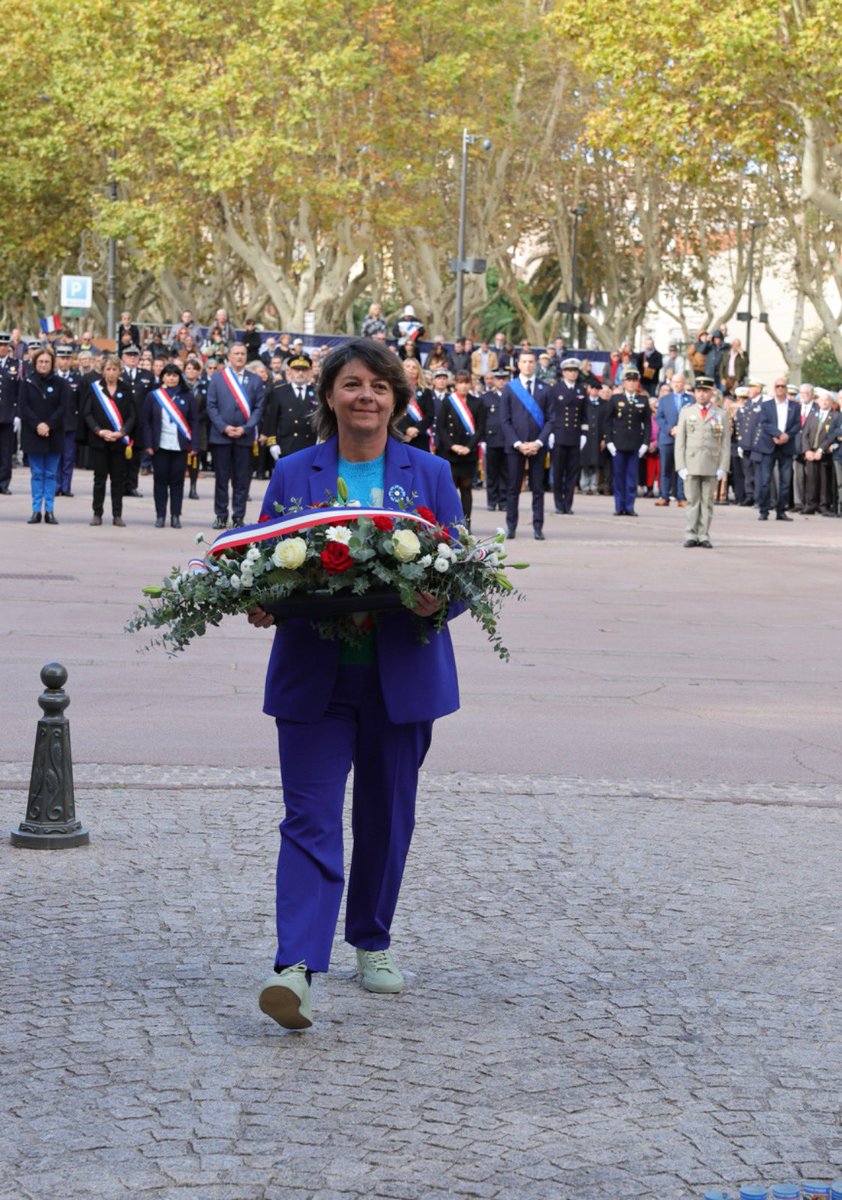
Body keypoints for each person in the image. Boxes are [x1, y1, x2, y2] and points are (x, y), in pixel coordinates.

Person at [247, 337, 464, 1030]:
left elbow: (464, 573)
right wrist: (258, 599)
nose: (365, 396)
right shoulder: (294, 472)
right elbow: (261, 560)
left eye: (378, 385)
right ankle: (295, 968)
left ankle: (371, 938)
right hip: (314, 678)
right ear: (329, 396)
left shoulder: (430, 473)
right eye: (351, 384)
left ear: (396, 399)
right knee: (308, 818)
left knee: (385, 816)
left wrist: (437, 600)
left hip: (400, 678)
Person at [206, 342, 265, 528]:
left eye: (242, 353)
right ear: (229, 357)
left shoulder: (255, 380)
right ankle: (221, 516)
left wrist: (246, 428)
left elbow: (259, 408)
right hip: (221, 436)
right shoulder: (217, 378)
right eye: (236, 353)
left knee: (242, 480)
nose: (240, 356)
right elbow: (211, 405)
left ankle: (238, 516)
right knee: (221, 479)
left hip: (244, 437)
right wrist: (224, 427)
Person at [499, 348, 552, 539]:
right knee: (513, 489)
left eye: (531, 362)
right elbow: (504, 420)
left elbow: (551, 420)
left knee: (538, 489)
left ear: (535, 364)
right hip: (515, 447)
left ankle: (538, 527)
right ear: (518, 364)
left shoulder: (545, 388)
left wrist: (538, 442)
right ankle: (511, 526)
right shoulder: (509, 388)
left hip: (538, 447)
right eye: (524, 361)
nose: (528, 365)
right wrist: (518, 443)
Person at [674, 377, 730, 548]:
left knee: (707, 502)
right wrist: (680, 466)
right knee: (692, 501)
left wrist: (723, 467)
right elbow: (680, 441)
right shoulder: (687, 412)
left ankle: (703, 534)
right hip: (691, 463)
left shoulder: (721, 414)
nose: (702, 394)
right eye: (699, 391)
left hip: (711, 463)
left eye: (705, 391)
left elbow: (726, 443)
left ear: (711, 393)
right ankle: (691, 534)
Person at [142, 362, 200, 528]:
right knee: (160, 481)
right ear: (162, 377)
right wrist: (148, 444)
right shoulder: (153, 396)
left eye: (175, 375)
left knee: (177, 482)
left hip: (180, 446)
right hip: (160, 445)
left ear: (179, 377)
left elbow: (195, 422)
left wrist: (194, 445)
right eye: (168, 375)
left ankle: (175, 515)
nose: (171, 378)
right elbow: (146, 422)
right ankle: (160, 515)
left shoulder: (188, 396)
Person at [82, 354, 136, 526]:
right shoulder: (95, 388)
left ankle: (117, 515)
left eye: (115, 369)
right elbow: (87, 413)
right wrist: (98, 431)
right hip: (99, 440)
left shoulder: (126, 389)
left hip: (119, 441)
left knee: (118, 480)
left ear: (120, 371)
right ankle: (97, 513)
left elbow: (132, 415)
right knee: (99, 479)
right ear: (103, 371)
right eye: (108, 369)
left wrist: (122, 432)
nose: (111, 372)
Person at [18, 345, 67, 524]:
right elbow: (24, 407)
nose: (43, 365)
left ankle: (50, 510)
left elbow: (63, 407)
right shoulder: (27, 382)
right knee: (37, 474)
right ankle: (36, 510)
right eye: (40, 361)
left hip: (54, 434)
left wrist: (48, 425)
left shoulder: (60, 383)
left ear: (52, 363)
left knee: (51, 474)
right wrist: (38, 425)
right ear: (35, 363)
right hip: (34, 434)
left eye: (47, 362)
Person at [435, 369, 484, 530]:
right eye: (460, 383)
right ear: (455, 384)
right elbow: (441, 427)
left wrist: (469, 447)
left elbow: (481, 429)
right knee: (450, 490)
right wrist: (452, 445)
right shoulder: (448, 401)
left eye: (466, 383)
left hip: (468, 453)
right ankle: (450, 523)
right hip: (450, 452)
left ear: (471, 384)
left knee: (466, 489)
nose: (463, 386)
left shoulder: (478, 402)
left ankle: (466, 524)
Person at [604, 368, 649, 516]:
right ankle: (619, 506)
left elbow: (647, 424)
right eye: (629, 380)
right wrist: (609, 441)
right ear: (623, 382)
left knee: (631, 477)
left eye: (634, 381)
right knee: (618, 476)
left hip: (635, 444)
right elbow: (607, 422)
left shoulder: (643, 400)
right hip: (618, 444)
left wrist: (645, 443)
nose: (631, 383)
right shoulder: (615, 399)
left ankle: (629, 507)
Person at [547, 357, 588, 514]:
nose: (572, 373)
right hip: (559, 434)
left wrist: (584, 433)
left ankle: (568, 504)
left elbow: (584, 414)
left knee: (572, 473)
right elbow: (550, 412)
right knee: (558, 472)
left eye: (575, 370)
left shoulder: (581, 389)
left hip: (575, 435)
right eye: (569, 370)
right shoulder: (555, 389)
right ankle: (559, 503)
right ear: (563, 372)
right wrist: (550, 432)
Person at [757, 378, 800, 521]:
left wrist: (787, 436)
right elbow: (764, 423)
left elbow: (797, 425)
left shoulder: (794, 406)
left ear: (786, 388)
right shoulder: (766, 405)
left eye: (783, 386)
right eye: (777, 386)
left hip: (786, 446)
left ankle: (781, 511)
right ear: (774, 388)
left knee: (785, 481)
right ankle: (764, 510)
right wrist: (777, 434)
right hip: (769, 445)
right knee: (765, 481)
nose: (780, 388)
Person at [654, 372, 694, 506]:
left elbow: (693, 418)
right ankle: (664, 496)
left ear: (684, 383)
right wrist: (670, 429)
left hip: (684, 439)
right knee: (665, 468)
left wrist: (681, 430)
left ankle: (682, 497)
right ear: (671, 384)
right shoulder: (664, 399)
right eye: (675, 382)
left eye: (679, 382)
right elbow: (659, 418)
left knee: (682, 469)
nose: (677, 384)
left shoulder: (691, 400)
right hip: (667, 438)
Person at [802, 389, 836, 516]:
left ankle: (824, 506)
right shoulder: (813, 415)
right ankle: (810, 505)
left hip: (824, 453)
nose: (824, 402)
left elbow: (832, 436)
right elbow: (805, 434)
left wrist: (821, 449)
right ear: (818, 401)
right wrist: (806, 450)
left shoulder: (835, 416)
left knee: (824, 481)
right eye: (822, 400)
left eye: (827, 400)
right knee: (811, 480)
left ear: (831, 402)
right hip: (811, 452)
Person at [480, 367, 509, 510]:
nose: (501, 382)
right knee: (491, 472)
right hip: (491, 439)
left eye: (504, 379)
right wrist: (483, 440)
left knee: (506, 473)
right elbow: (482, 420)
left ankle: (503, 501)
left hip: (508, 440)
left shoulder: (511, 396)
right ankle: (492, 501)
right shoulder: (486, 397)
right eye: (498, 379)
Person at [395, 358, 434, 451]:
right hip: (398, 433)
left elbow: (430, 415)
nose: (411, 369)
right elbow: (392, 412)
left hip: (419, 436)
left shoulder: (426, 391)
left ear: (418, 371)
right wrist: (405, 429)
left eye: (414, 367)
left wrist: (416, 429)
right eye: (408, 366)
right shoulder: (395, 389)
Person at [0, 331, 22, 494]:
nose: (2, 348)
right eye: (0, 345)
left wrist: (18, 415)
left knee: (6, 452)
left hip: (8, 415)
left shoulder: (16, 365)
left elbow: (20, 392)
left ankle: (3, 484)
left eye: (4, 345)